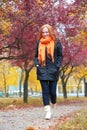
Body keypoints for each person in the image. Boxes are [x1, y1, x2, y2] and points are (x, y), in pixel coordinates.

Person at [34, 24, 62, 120]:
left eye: (46, 32)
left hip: (53, 70)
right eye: (43, 32)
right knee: (45, 91)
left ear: (50, 32)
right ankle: (47, 111)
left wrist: (57, 66)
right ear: (41, 33)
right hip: (42, 70)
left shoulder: (57, 42)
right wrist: (37, 64)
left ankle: (53, 102)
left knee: (52, 92)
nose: (45, 34)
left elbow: (60, 56)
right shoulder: (39, 43)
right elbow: (35, 56)